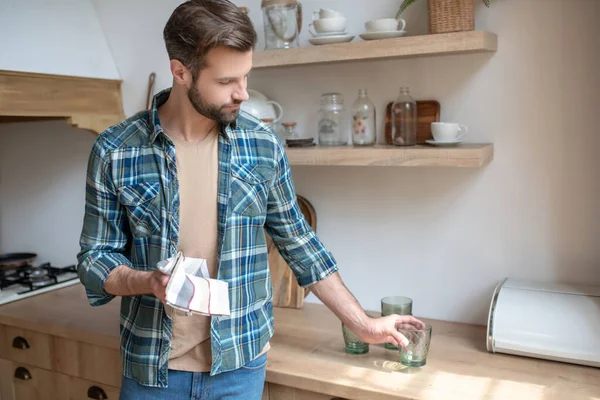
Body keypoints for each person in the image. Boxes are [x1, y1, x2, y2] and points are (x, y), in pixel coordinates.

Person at [76, 0, 425, 398]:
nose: (242, 93)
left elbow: (300, 243)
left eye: (245, 76)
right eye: (227, 82)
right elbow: (94, 259)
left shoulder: (262, 145)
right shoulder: (115, 150)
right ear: (180, 72)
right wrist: (147, 281)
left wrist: (362, 323)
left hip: (239, 368)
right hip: (152, 370)